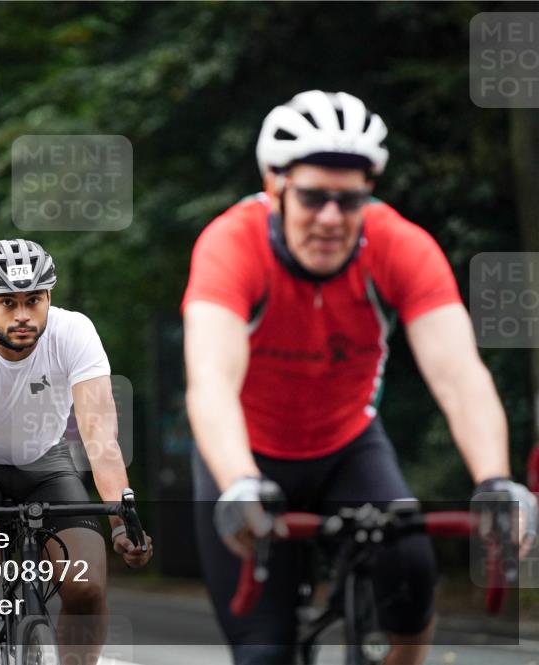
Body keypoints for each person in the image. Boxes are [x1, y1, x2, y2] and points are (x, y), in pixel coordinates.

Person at [182, 90, 537, 665]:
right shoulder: (231, 244)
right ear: (276, 188)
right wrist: (240, 481)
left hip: (346, 444)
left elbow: (460, 377)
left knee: (413, 569)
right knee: (263, 654)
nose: (330, 218)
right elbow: (210, 382)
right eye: (313, 197)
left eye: (348, 202)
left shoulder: (400, 245)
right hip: (245, 453)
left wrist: (494, 481)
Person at [0, 238, 153, 665]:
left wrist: (120, 522)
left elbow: (100, 435)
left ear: (49, 298)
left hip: (47, 463)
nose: (23, 315)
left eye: (33, 300)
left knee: (88, 586)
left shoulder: (74, 333)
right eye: (8, 302)